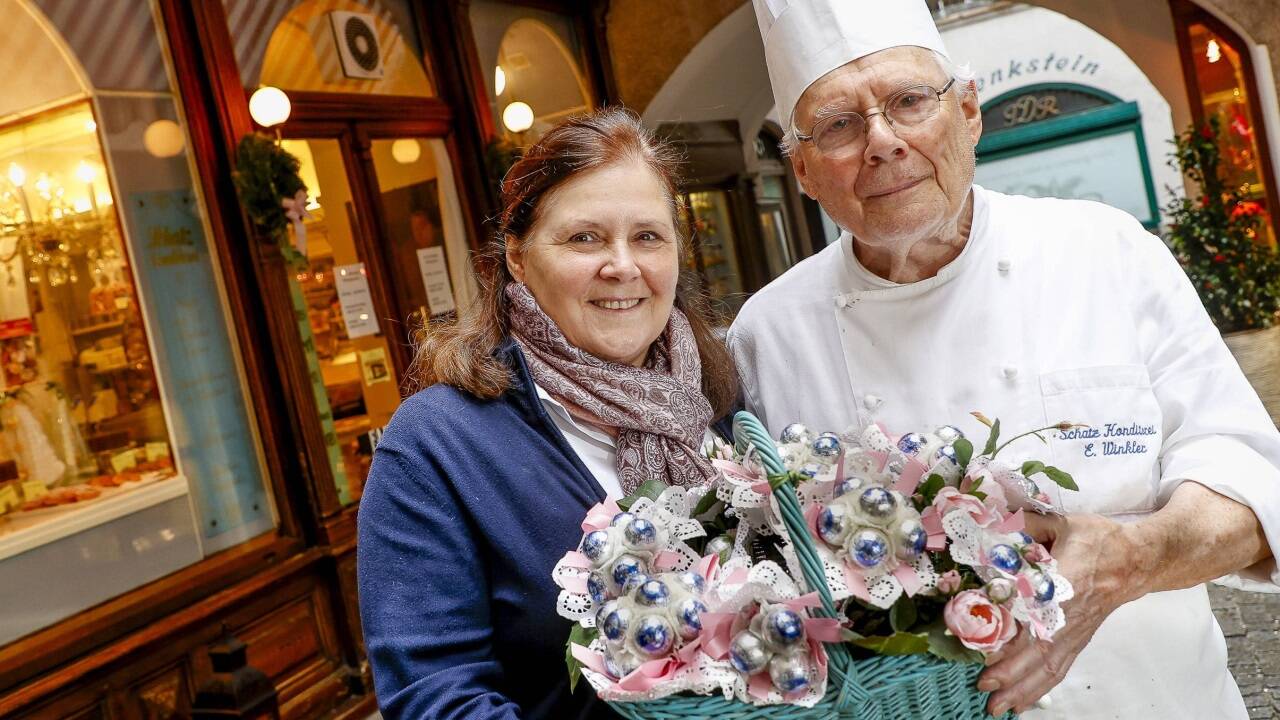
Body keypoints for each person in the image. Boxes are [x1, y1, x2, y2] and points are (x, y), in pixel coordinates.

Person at [730, 1, 1280, 718]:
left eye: (909, 102)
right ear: (802, 169)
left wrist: (1132, 558)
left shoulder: (1106, 252)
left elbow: (1251, 486)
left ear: (968, 113)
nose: (883, 142)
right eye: (839, 124)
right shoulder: (766, 335)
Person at [355, 107, 738, 720]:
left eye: (647, 236)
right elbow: (433, 694)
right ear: (516, 258)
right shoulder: (438, 444)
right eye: (584, 238)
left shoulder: (719, 398)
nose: (622, 265)